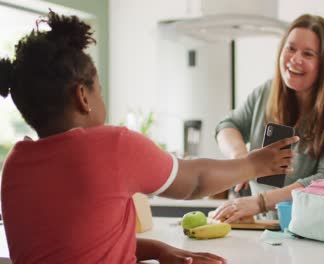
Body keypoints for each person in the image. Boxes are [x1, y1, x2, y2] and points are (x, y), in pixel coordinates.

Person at [0, 11, 299, 264]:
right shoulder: (110, 146)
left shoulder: (15, 165)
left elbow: (78, 245)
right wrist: (254, 164)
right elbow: (195, 180)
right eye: (99, 90)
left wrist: (158, 250)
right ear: (83, 96)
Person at [212, 14, 324, 223]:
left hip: (323, 231)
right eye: (290, 48)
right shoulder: (266, 92)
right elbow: (227, 125)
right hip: (268, 225)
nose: (295, 59)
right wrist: (241, 159)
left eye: (308, 54)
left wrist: (260, 201)